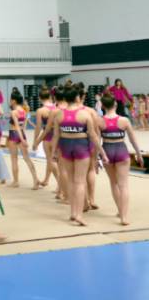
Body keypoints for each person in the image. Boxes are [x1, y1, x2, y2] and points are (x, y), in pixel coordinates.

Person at [51, 86, 106, 226]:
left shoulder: (59, 115)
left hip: (65, 146)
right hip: (81, 147)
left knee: (71, 180)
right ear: (77, 97)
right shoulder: (85, 114)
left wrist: (53, 153)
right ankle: (79, 215)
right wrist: (102, 152)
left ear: (65, 98)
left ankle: (73, 212)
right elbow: (93, 136)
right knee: (80, 181)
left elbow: (55, 136)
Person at [98, 94, 143, 225]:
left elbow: (96, 141)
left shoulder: (99, 121)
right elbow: (132, 139)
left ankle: (120, 210)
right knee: (123, 185)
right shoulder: (124, 120)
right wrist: (138, 154)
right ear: (116, 104)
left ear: (102, 106)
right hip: (121, 150)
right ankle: (124, 217)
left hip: (107, 150)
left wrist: (96, 158)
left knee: (114, 183)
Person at [7, 92, 40, 190]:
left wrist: (21, 139)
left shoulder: (14, 112)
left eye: (10, 99)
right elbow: (23, 126)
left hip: (14, 134)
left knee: (14, 159)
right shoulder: (24, 111)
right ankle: (35, 179)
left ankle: (16, 181)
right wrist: (23, 138)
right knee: (27, 158)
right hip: (22, 133)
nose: (10, 101)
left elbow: (16, 126)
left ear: (13, 101)